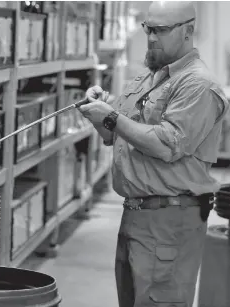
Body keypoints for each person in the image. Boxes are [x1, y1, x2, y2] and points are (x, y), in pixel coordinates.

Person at [78, 2, 229, 307]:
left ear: (188, 31)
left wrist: (112, 117)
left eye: (161, 30)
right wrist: (99, 113)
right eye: (148, 29)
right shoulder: (150, 78)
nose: (151, 38)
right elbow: (114, 134)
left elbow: (166, 144)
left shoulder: (197, 84)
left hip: (170, 222)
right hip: (136, 216)